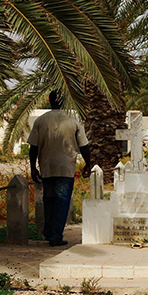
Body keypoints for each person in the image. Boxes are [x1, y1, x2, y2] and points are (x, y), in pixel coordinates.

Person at [28, 90, 91, 247]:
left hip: (46, 167)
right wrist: (88, 164)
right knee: (62, 201)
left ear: (50, 101)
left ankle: (49, 232)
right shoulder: (74, 119)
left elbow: (33, 147)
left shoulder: (40, 121)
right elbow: (84, 145)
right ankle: (55, 235)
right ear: (65, 101)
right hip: (65, 167)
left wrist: (33, 168)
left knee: (49, 200)